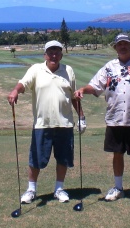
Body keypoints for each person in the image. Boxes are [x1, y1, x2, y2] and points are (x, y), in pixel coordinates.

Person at [74, 34, 130, 206]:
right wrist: (83, 89)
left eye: (126, 44)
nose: (123, 47)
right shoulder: (109, 67)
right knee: (117, 154)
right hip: (115, 118)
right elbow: (96, 86)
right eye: (120, 45)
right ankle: (118, 187)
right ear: (116, 48)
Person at [8, 40, 86, 204]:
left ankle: (59, 189)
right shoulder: (36, 69)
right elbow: (23, 84)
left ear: (61, 55)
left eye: (57, 52)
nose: (54, 55)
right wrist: (15, 90)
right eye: (51, 52)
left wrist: (81, 117)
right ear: (45, 54)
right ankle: (31, 190)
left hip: (64, 124)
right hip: (42, 124)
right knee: (36, 159)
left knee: (63, 159)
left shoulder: (68, 70)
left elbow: (73, 97)